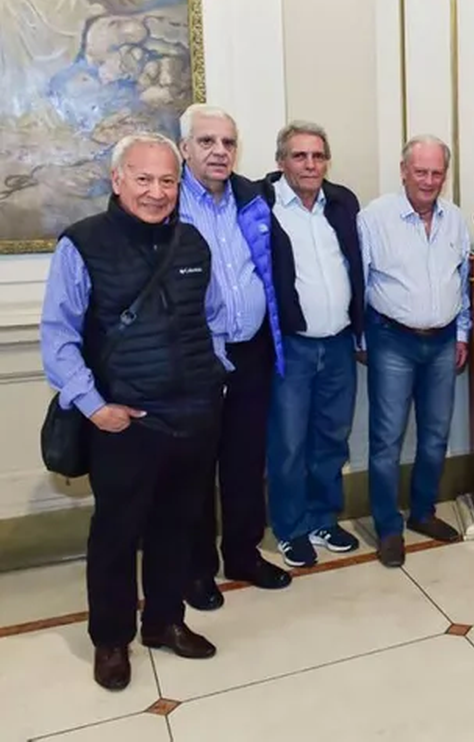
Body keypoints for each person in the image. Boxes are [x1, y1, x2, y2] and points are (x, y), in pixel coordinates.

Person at [41, 133, 229, 691]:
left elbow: (213, 317)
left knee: (178, 526)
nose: (156, 191)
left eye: (167, 180)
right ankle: (111, 640)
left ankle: (165, 621)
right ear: (117, 179)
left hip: (194, 415)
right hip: (124, 422)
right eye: (143, 179)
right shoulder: (82, 244)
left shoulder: (193, 242)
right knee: (117, 535)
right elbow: (58, 338)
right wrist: (96, 408)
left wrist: (215, 378)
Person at [177, 104, 291, 611]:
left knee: (245, 462)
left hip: (251, 352)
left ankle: (243, 554)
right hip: (195, 358)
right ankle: (197, 568)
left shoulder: (250, 197)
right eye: (207, 142)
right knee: (196, 469)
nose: (219, 152)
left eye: (227, 142)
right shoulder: (169, 201)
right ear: (185, 148)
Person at [359, 134, 471, 568]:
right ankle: (389, 527)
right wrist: (362, 338)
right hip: (392, 340)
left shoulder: (455, 219)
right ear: (403, 171)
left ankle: (423, 512)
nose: (428, 180)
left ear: (446, 175)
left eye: (436, 173)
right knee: (386, 439)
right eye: (420, 171)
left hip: (442, 341)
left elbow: (462, 283)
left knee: (436, 434)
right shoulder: (375, 217)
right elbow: (360, 280)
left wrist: (462, 333)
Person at [262, 121, 365, 569]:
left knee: (331, 438)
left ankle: (324, 518)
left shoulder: (341, 203)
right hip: (292, 347)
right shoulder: (262, 204)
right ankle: (291, 528)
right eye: (299, 156)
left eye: (318, 156)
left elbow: (356, 264)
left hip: (339, 343)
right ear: (281, 161)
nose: (310, 164)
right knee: (288, 443)